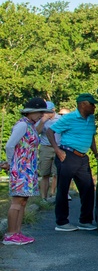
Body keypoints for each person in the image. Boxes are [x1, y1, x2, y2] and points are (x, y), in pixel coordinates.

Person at [45, 93, 98, 231]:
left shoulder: (91, 118)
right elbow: (50, 131)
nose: (94, 107)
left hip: (83, 157)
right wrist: (57, 150)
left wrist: (96, 154)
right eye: (92, 104)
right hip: (68, 155)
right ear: (83, 104)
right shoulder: (70, 118)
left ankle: (85, 220)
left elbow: (91, 137)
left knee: (88, 188)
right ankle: (62, 222)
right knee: (63, 189)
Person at [3, 98, 52, 245]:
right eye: (39, 112)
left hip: (28, 168)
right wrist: (12, 163)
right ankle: (10, 234)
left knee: (23, 201)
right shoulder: (22, 125)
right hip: (20, 168)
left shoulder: (31, 125)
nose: (41, 115)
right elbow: (10, 145)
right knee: (17, 202)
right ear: (30, 112)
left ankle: (18, 232)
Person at [35, 101, 58, 202]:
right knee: (45, 173)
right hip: (45, 147)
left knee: (57, 173)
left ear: (53, 110)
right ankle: (43, 197)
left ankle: (53, 194)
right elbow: (36, 133)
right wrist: (42, 121)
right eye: (44, 111)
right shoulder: (41, 120)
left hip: (58, 147)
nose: (46, 113)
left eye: (48, 111)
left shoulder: (60, 119)